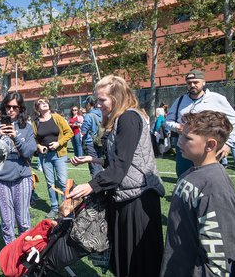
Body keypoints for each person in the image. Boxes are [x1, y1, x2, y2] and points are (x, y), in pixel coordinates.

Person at [68, 75, 165, 277]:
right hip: (126, 196)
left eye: (102, 99)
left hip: (138, 199)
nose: (98, 104)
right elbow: (124, 160)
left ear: (117, 97)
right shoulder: (121, 118)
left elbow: (121, 167)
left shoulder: (129, 118)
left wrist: (91, 186)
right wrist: (95, 161)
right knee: (124, 259)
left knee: (138, 262)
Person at [160, 110, 235, 276]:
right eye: (181, 135)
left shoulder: (215, 188)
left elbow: (220, 255)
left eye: (188, 138)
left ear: (210, 145)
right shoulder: (191, 172)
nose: (179, 141)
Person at [165, 69, 235, 177]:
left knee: (208, 182)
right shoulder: (180, 100)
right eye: (189, 83)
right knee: (184, 179)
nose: (192, 85)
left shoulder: (217, 99)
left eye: (196, 82)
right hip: (184, 152)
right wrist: (177, 127)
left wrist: (228, 144)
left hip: (208, 152)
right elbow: (167, 121)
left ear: (203, 82)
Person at [0, 92, 36, 245]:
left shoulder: (26, 127)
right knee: (7, 222)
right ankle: (11, 254)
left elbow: (29, 152)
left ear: (21, 108)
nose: (11, 110)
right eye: (8, 106)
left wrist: (15, 137)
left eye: (15, 107)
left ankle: (26, 252)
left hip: (21, 177)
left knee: (23, 221)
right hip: (0, 178)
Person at [32, 98, 73, 219]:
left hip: (59, 155)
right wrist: (39, 146)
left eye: (45, 102)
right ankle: (54, 207)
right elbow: (33, 138)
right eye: (41, 102)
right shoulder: (35, 122)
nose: (44, 103)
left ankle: (65, 206)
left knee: (62, 181)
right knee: (50, 183)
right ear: (37, 108)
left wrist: (58, 143)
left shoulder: (57, 117)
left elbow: (69, 132)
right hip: (45, 156)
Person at [80, 97, 104, 178]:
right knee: (100, 163)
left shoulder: (89, 115)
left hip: (91, 143)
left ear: (89, 104)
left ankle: (97, 185)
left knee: (93, 166)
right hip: (101, 141)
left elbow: (83, 131)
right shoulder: (102, 113)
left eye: (85, 104)